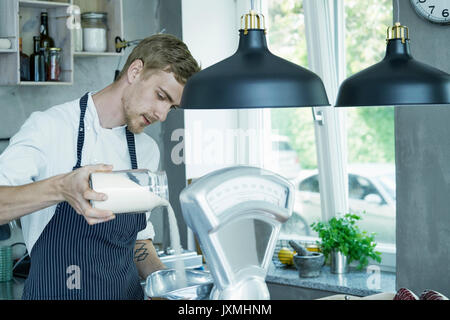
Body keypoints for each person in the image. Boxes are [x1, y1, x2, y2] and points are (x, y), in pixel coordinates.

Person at [0, 34, 201, 300]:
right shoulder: (51, 128)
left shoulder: (146, 151)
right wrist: (61, 188)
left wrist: (164, 285)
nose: (162, 115)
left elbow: (138, 240)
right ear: (135, 71)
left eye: (171, 107)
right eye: (160, 96)